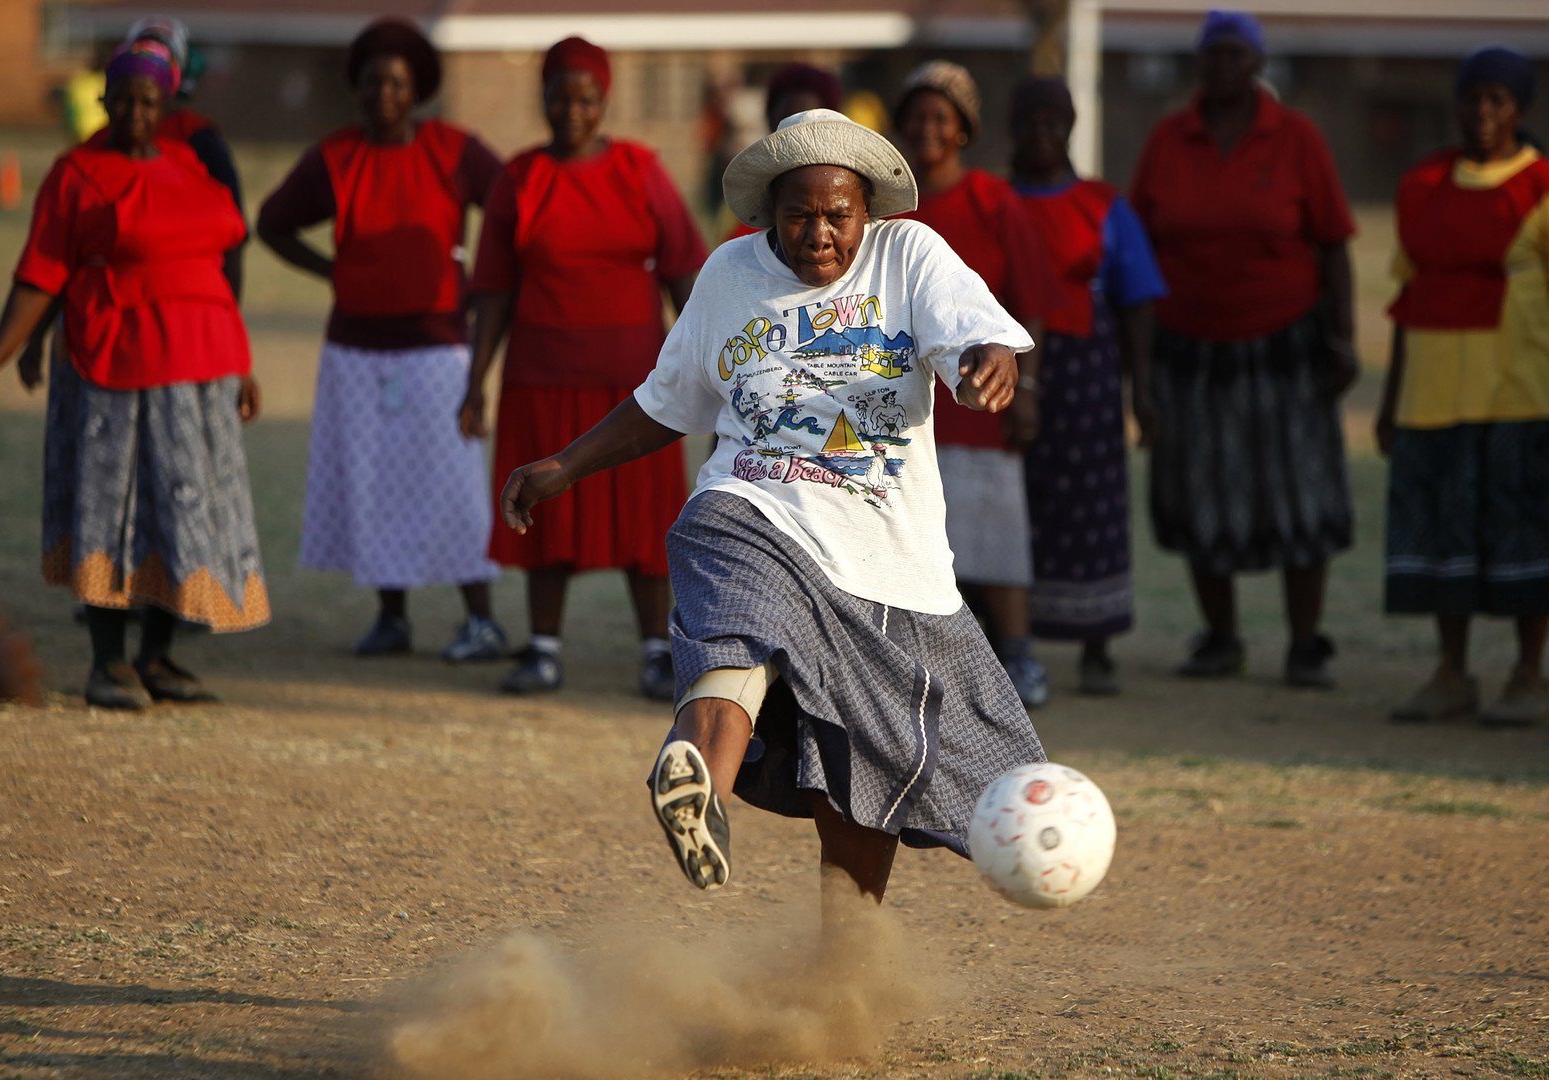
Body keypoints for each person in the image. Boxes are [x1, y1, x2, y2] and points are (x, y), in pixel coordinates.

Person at [498, 109, 1046, 901]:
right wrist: (564, 464)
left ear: (867, 211)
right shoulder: (728, 275)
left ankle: (844, 970)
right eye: (800, 215)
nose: (819, 234)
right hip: (753, 504)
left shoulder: (907, 254)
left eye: (837, 215)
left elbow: (972, 332)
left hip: (885, 563)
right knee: (735, 623)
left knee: (864, 779)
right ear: (770, 212)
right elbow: (666, 400)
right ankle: (700, 793)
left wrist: (986, 358)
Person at [0, 41, 268, 709]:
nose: (134, 111)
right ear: (102, 101)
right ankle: (108, 663)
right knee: (114, 513)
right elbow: (41, 275)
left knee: (182, 516)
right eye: (123, 99)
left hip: (201, 374)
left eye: (148, 101)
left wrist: (241, 363)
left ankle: (156, 657)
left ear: (167, 107)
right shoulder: (76, 174)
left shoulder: (191, 166)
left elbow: (214, 273)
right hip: (115, 371)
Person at [463, 37, 708, 698]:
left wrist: (708, 368)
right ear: (542, 99)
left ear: (604, 102)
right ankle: (542, 648)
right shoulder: (519, 177)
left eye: (586, 99)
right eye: (559, 97)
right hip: (540, 377)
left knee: (645, 517)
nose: (572, 111)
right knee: (545, 508)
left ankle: (657, 650)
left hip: (635, 384)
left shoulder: (639, 169)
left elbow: (686, 271)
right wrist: (473, 384)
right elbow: (491, 292)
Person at [258, 18, 508, 661]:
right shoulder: (336, 157)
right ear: (358, 89)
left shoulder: (452, 149)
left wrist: (482, 277)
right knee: (375, 486)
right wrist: (331, 270)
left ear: (416, 88)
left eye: (396, 83)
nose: (384, 94)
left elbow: (511, 206)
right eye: (373, 83)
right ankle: (391, 617)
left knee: (452, 485)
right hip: (355, 351)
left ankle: (480, 619)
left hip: (437, 348)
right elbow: (272, 223)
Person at [1130, 11, 1359, 688]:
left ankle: (1305, 641)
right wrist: (1138, 374)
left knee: (1300, 495)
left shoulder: (1295, 138)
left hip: (1285, 344)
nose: (1222, 65)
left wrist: (1343, 338)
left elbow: (1334, 244)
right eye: (1211, 54)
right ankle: (1221, 637)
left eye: (1235, 53)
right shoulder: (1169, 140)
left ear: (1256, 63)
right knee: (1200, 491)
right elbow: (1137, 258)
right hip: (1190, 352)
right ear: (1198, 64)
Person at [1376, 46, 1549, 726]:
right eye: (1471, 97)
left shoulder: (1547, 191)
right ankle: (1451, 673)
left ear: (1519, 110)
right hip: (1433, 396)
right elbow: (1405, 301)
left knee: (1525, 539)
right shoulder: (1419, 187)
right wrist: (1389, 401)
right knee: (1444, 545)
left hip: (1523, 396)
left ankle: (1528, 675)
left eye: (1497, 100)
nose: (1481, 112)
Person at [893, 60, 1055, 706]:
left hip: (980, 405)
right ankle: (930, 667)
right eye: (917, 117)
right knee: (917, 544)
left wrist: (1029, 391)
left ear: (963, 131)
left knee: (996, 536)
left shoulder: (993, 201)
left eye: (942, 118)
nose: (927, 129)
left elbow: (1031, 303)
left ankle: (1019, 658)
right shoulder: (887, 206)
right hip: (907, 410)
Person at [1006, 77, 1167, 695]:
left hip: (1089, 372)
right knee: (1017, 501)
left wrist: (1141, 389)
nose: (1043, 134)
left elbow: (1138, 299)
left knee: (1093, 503)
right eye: (1030, 122)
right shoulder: (997, 200)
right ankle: (1010, 638)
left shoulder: (1104, 204)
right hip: (1010, 367)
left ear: (1071, 127)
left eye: (1055, 122)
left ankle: (1097, 642)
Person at [23, 16, 248, 444]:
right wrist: (36, 337)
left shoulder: (198, 148)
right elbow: (57, 257)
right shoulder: (92, 158)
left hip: (184, 337)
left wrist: (225, 333)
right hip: (104, 333)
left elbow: (233, 240)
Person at [722, 63, 845, 243]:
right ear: (771, 122)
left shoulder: (855, 200)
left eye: (809, 126)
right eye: (787, 122)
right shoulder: (752, 212)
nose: (796, 138)